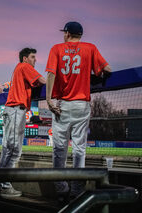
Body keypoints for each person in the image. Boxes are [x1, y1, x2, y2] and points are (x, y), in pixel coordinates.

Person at [45, 21, 111, 201]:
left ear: (67, 33)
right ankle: (76, 190)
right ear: (80, 34)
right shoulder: (90, 48)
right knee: (79, 149)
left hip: (62, 105)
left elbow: (50, 74)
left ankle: (61, 188)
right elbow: (107, 70)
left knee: (59, 149)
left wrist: (49, 99)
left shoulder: (57, 48)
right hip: (82, 104)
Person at [0, 48, 46, 198]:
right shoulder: (24, 66)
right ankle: (4, 185)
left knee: (8, 148)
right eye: (32, 57)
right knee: (13, 149)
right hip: (15, 110)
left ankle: (1, 183)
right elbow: (43, 80)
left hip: (14, 110)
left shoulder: (20, 69)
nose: (35, 60)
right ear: (25, 58)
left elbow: (33, 85)